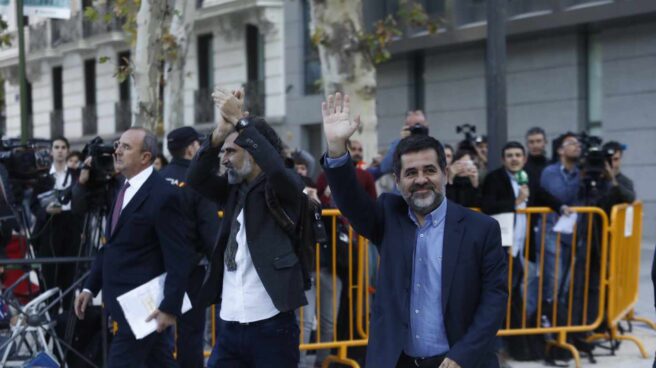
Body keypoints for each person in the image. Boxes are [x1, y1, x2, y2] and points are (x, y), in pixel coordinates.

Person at [320, 93, 507, 368]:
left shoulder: (481, 229)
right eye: (410, 173)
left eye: (430, 170)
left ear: (445, 173)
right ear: (397, 180)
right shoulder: (387, 215)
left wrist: (462, 355)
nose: (421, 180)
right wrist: (337, 149)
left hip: (459, 361)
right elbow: (350, 200)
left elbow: (494, 300)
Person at [187, 88, 306, 368]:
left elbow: (276, 171)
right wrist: (219, 134)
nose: (224, 158)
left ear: (253, 151)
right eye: (223, 151)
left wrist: (241, 121)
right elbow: (195, 177)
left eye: (231, 150)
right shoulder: (231, 190)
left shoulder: (282, 186)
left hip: (272, 326)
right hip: (229, 325)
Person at [74, 128, 194, 368]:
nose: (117, 150)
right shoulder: (123, 189)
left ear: (145, 157)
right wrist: (90, 287)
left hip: (144, 308)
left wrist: (169, 307)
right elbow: (111, 246)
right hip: (122, 306)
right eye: (118, 144)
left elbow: (179, 257)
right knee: (159, 361)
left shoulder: (164, 194)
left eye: (126, 147)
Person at [159, 126, 220, 368]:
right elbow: (210, 230)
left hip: (158, 268)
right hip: (192, 269)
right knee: (191, 334)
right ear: (191, 148)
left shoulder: (157, 178)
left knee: (159, 331)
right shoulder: (197, 181)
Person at [33, 137, 81, 307]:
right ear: (51, 151)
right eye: (56, 147)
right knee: (49, 278)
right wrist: (45, 212)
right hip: (49, 228)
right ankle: (50, 322)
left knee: (69, 277)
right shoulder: (43, 177)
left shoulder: (76, 175)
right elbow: (33, 205)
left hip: (71, 228)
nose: (60, 150)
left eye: (63, 147)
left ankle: (68, 324)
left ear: (67, 151)